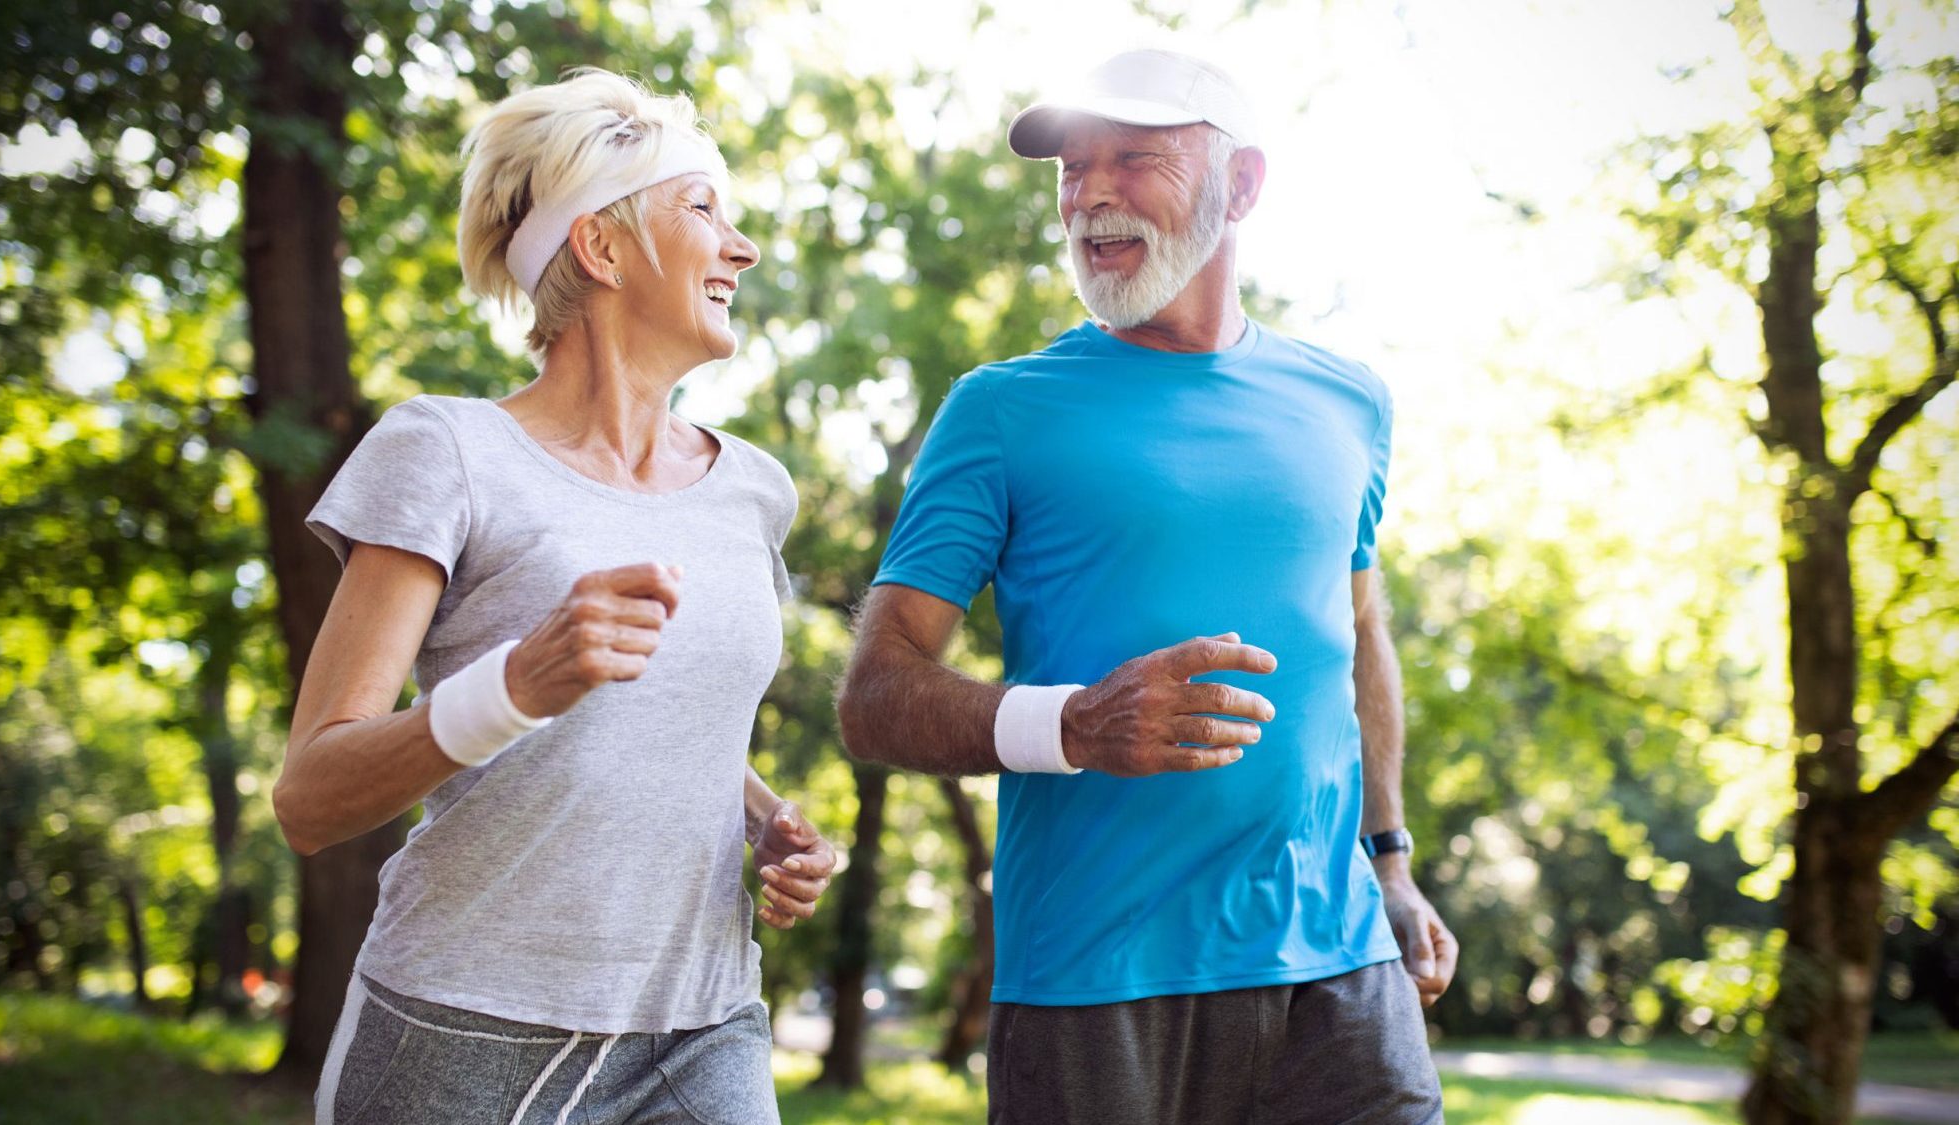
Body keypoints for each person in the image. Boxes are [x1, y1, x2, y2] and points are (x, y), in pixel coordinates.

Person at [836, 48, 1456, 1124]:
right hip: (1095, 976)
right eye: (1071, 170)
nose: (1090, 195)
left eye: (1132, 158)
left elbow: (1356, 638)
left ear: (1243, 184)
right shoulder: (999, 412)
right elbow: (873, 696)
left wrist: (1389, 862)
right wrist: (1073, 724)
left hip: (1336, 961)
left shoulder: (1347, 402)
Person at [273, 70, 835, 1125]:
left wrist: (762, 820)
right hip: (463, 1029)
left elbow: (654, 723)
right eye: (704, 208)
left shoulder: (755, 487)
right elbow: (309, 799)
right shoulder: (445, 451)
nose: (743, 248)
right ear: (602, 247)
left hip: (704, 1022)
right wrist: (516, 685)